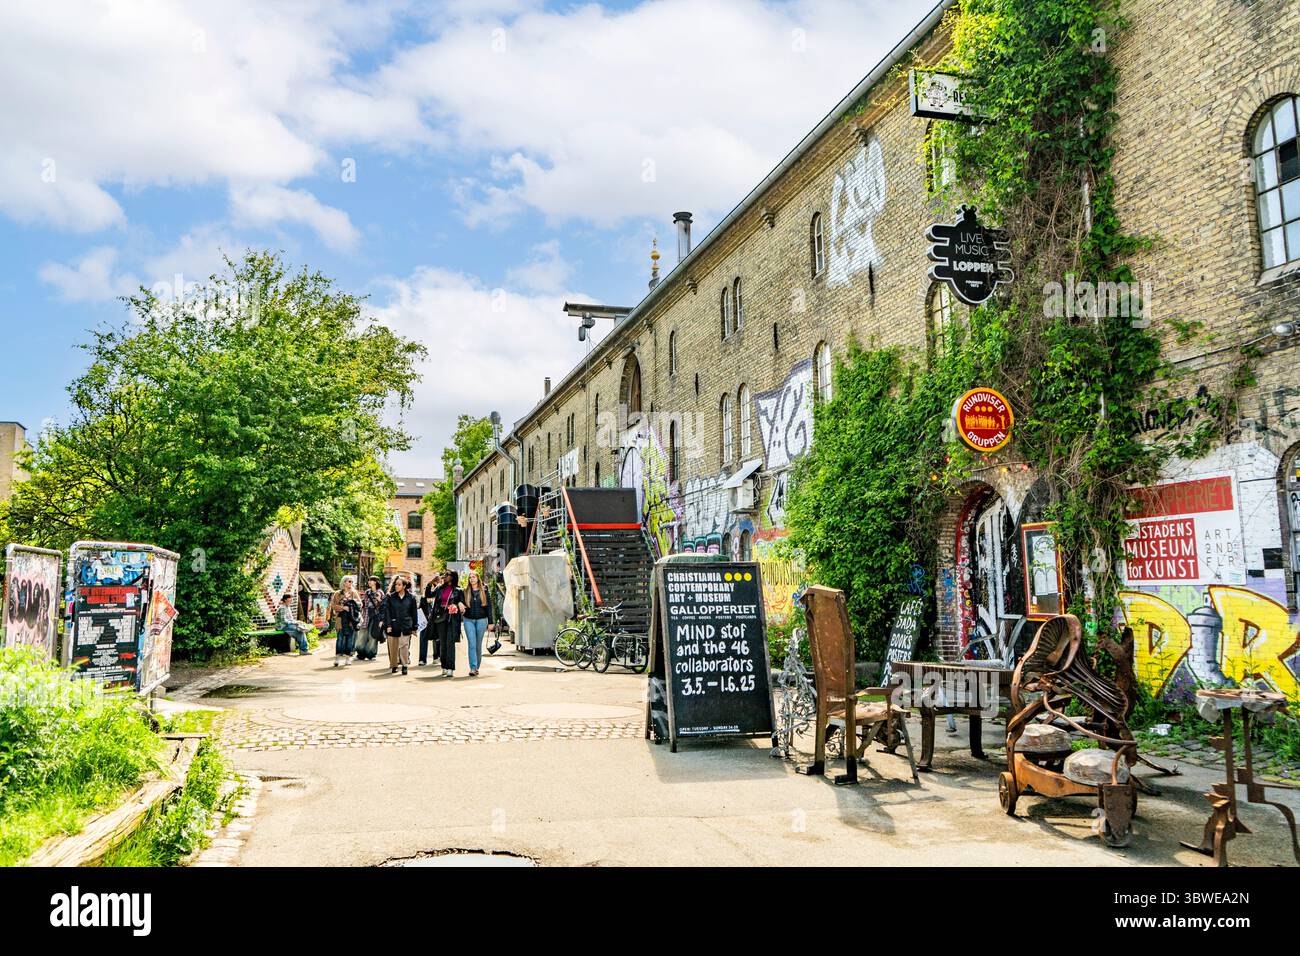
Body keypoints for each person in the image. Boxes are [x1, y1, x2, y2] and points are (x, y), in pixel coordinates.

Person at [461, 569, 494, 677]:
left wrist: (491, 622)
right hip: (468, 620)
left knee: (478, 645)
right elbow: (458, 600)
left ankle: (477, 667)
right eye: (470, 577)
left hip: (481, 620)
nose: (471, 579)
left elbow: (489, 607)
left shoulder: (484, 590)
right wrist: (460, 604)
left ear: (478, 578)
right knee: (471, 644)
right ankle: (473, 667)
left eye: (473, 577)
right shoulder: (465, 591)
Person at [383, 575, 419, 675]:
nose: (396, 586)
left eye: (399, 585)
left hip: (406, 625)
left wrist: (414, 627)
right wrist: (388, 625)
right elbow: (387, 612)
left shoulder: (411, 597)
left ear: (404, 586)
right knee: (393, 646)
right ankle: (394, 665)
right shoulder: (391, 597)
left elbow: (414, 613)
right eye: (396, 584)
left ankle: (404, 665)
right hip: (394, 624)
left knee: (404, 645)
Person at [435, 570, 466, 678]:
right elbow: (431, 597)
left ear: (452, 577)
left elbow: (463, 605)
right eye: (444, 575)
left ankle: (450, 668)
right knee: (442, 643)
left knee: (450, 643)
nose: (445, 577)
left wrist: (456, 606)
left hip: (452, 619)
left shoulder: (458, 590)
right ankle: (444, 666)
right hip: (441, 618)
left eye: (447, 575)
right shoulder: (439, 589)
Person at [329, 576, 362, 667]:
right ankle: (337, 658)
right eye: (349, 581)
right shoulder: (337, 593)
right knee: (339, 639)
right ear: (344, 583)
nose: (351, 583)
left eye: (352, 582)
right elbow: (333, 605)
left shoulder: (354, 593)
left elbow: (360, 604)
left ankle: (348, 658)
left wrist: (352, 605)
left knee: (349, 639)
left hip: (351, 620)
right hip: (340, 620)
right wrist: (343, 607)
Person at [418, 573, 444, 667]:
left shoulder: (440, 593)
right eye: (434, 584)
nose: (435, 586)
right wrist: (429, 585)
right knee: (423, 638)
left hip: (436, 618)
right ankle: (422, 659)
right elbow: (422, 605)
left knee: (437, 639)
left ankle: (436, 657)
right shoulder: (425, 596)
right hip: (425, 619)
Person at [362, 576, 387, 658]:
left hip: (376, 617)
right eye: (368, 580)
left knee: (373, 635)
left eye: (370, 580)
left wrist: (379, 600)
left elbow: (383, 607)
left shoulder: (380, 592)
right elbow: (364, 605)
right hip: (366, 616)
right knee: (363, 635)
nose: (369, 582)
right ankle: (361, 653)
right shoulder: (367, 592)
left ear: (375, 582)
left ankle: (371, 654)